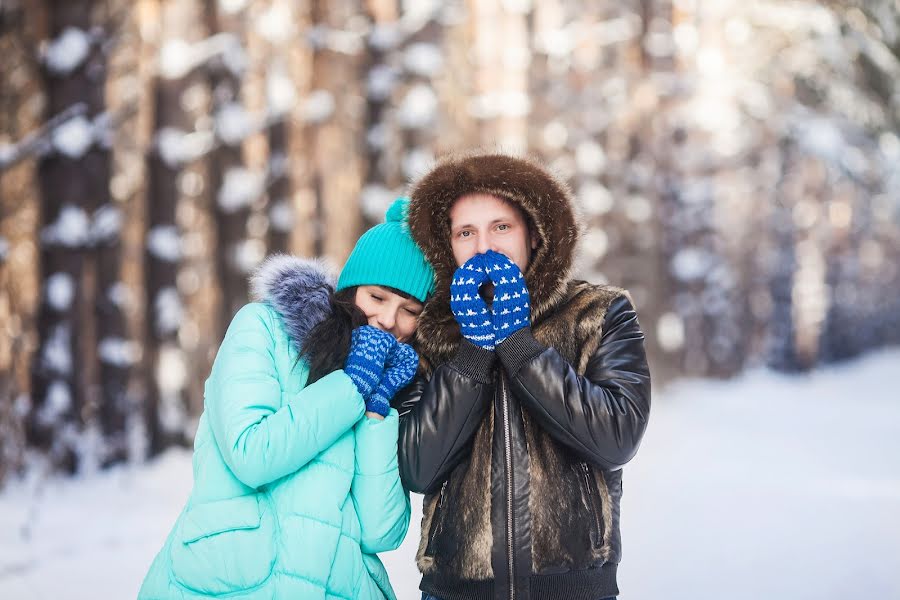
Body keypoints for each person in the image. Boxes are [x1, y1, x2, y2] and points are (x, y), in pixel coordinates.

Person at [139, 197, 434, 600]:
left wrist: (376, 408)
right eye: (377, 298)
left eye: (409, 310)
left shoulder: (389, 383)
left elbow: (380, 529)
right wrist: (350, 387)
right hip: (228, 583)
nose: (388, 320)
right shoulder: (263, 328)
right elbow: (251, 453)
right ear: (350, 289)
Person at [393, 152, 652, 600]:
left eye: (501, 227)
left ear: (534, 234)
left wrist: (519, 346)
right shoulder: (433, 334)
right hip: (455, 591)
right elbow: (417, 466)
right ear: (446, 246)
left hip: (575, 588)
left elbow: (617, 436)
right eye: (465, 232)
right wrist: (474, 351)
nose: (483, 248)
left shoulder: (599, 313)